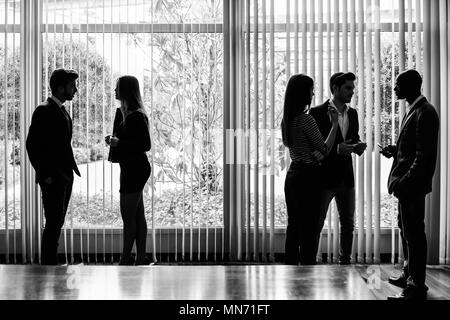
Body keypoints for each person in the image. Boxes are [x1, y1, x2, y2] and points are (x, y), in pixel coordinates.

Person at [382, 69, 439, 300]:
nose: (394, 88)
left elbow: (423, 157)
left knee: (414, 235)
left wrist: (405, 183)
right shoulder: (414, 109)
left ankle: (417, 286)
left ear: (412, 86)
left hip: (412, 187)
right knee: (407, 231)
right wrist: (395, 151)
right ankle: (408, 274)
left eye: (398, 84)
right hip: (407, 186)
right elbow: (411, 150)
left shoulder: (425, 112)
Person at [309, 72, 367, 265]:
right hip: (323, 177)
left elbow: (353, 137)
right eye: (348, 88)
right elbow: (315, 147)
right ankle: (309, 262)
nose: (352, 91)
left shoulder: (353, 113)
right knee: (316, 223)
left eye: (352, 88)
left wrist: (358, 146)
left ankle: (345, 262)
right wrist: (337, 149)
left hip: (346, 177)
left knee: (348, 223)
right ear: (335, 88)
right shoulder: (316, 113)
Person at [281, 74, 339, 265]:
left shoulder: (287, 120)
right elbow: (324, 149)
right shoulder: (307, 120)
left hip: (293, 175)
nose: (313, 93)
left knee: (294, 225)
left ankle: (290, 268)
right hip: (309, 177)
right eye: (311, 89)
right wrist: (334, 124)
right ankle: (307, 270)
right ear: (303, 93)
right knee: (310, 228)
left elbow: (297, 146)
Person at [26, 68, 81, 265]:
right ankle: (48, 264)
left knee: (57, 222)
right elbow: (32, 145)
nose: (75, 90)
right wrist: (46, 174)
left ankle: (50, 263)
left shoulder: (61, 110)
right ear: (60, 88)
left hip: (65, 176)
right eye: (72, 86)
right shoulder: (44, 110)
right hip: (53, 177)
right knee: (53, 223)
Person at [106, 75, 152, 266]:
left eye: (117, 88)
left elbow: (145, 145)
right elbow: (128, 140)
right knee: (137, 215)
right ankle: (140, 259)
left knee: (128, 217)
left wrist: (119, 143)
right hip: (132, 168)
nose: (114, 91)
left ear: (126, 90)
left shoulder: (137, 115)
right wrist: (115, 140)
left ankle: (125, 259)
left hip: (135, 169)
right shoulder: (127, 113)